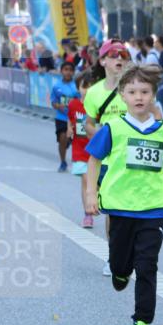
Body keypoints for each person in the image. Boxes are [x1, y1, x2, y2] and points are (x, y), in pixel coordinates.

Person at [83, 66, 163, 325]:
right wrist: (92, 193)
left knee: (147, 265)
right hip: (120, 206)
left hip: (154, 207)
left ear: (153, 96)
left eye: (145, 92)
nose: (139, 97)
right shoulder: (113, 128)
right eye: (132, 92)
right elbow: (94, 160)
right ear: (122, 95)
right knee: (120, 261)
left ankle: (141, 322)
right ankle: (119, 271)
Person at [85, 40, 132, 276]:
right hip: (108, 161)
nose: (119, 59)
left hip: (133, 160)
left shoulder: (134, 89)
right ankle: (113, 255)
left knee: (133, 209)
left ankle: (130, 251)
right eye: (114, 55)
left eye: (124, 55)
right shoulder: (94, 93)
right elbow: (88, 124)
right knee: (113, 210)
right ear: (103, 61)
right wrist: (105, 137)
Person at [67, 71, 94, 228]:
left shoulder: (97, 105)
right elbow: (70, 120)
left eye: (90, 87)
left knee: (93, 183)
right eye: (84, 86)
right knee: (85, 179)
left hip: (95, 149)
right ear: (78, 88)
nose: (87, 90)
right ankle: (87, 214)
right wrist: (70, 128)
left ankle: (93, 203)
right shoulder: (74, 104)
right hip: (79, 148)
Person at [49, 61, 78, 172]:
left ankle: (78, 161)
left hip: (75, 118)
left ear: (73, 72)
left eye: (70, 70)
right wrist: (58, 105)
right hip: (61, 117)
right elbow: (53, 101)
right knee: (62, 139)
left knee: (76, 140)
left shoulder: (77, 85)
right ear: (61, 71)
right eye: (66, 70)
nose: (68, 72)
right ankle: (63, 162)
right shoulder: (57, 86)